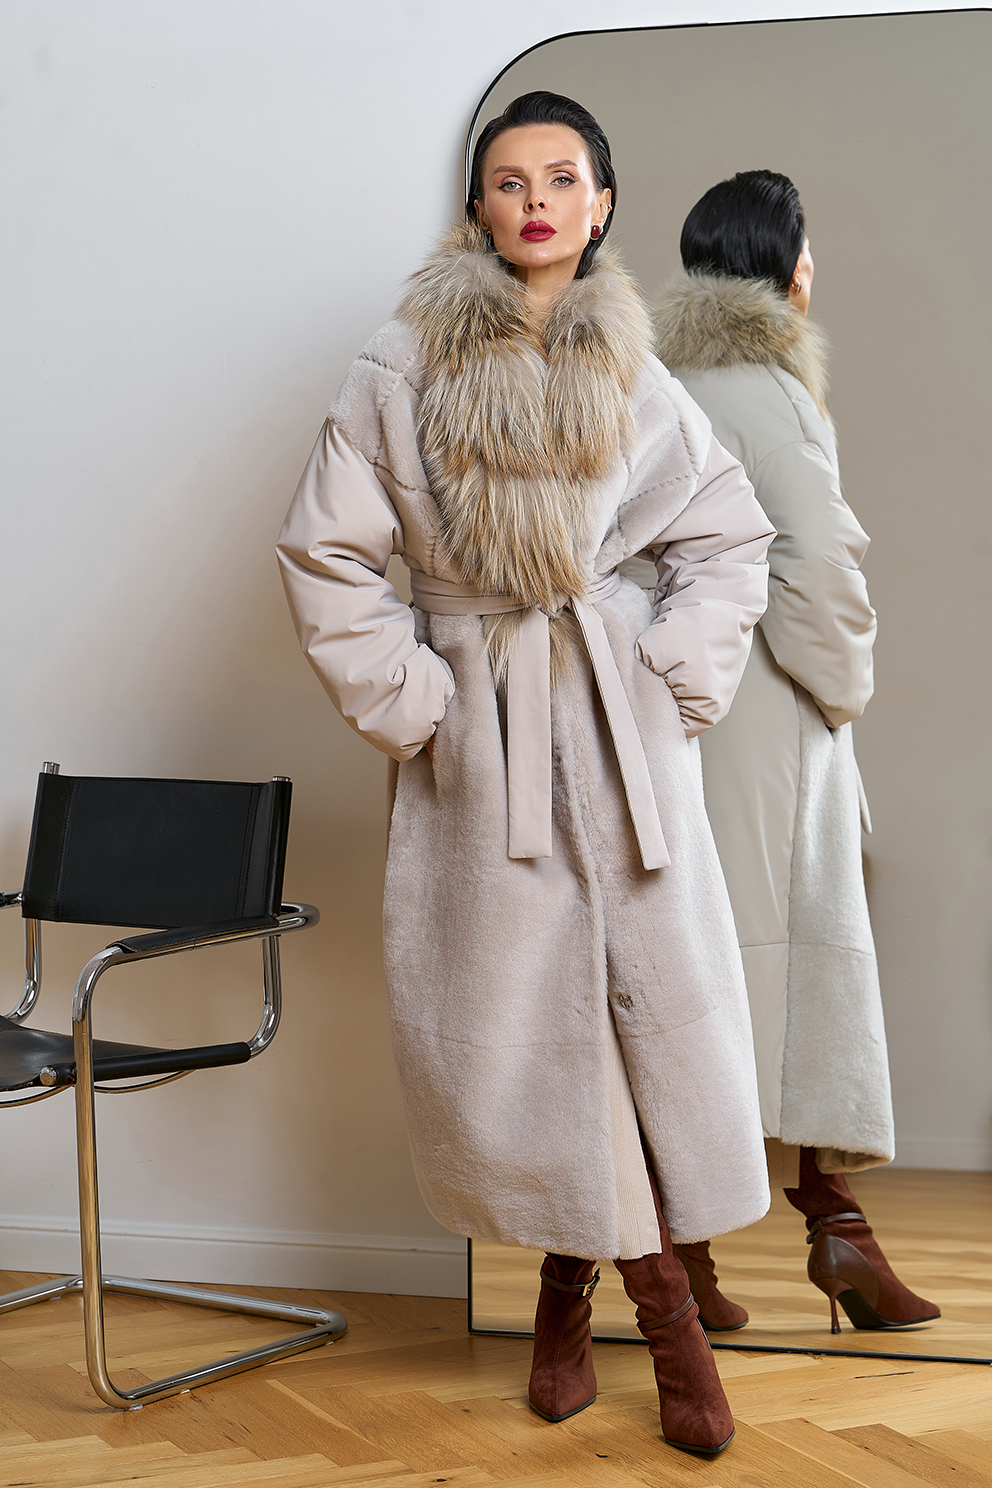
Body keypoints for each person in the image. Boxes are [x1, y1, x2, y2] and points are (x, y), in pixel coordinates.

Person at [277, 94, 777, 1457]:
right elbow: (326, 553)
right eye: (509, 180)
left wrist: (671, 674)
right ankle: (665, 1319)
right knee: (529, 1027)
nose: (537, 201)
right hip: (482, 741)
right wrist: (420, 701)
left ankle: (567, 1293)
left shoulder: (635, 367)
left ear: (601, 205)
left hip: (619, 738)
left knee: (638, 1018)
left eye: (563, 179)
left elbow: (727, 535)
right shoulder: (400, 363)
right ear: (478, 207)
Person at [642, 169, 939, 1335]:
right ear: (783, 263)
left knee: (696, 976)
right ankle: (831, 1228)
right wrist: (842, 690)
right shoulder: (767, 390)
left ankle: (696, 1256)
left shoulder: (654, 381)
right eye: (806, 247)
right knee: (791, 973)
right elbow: (816, 560)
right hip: (767, 711)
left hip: (675, 712)